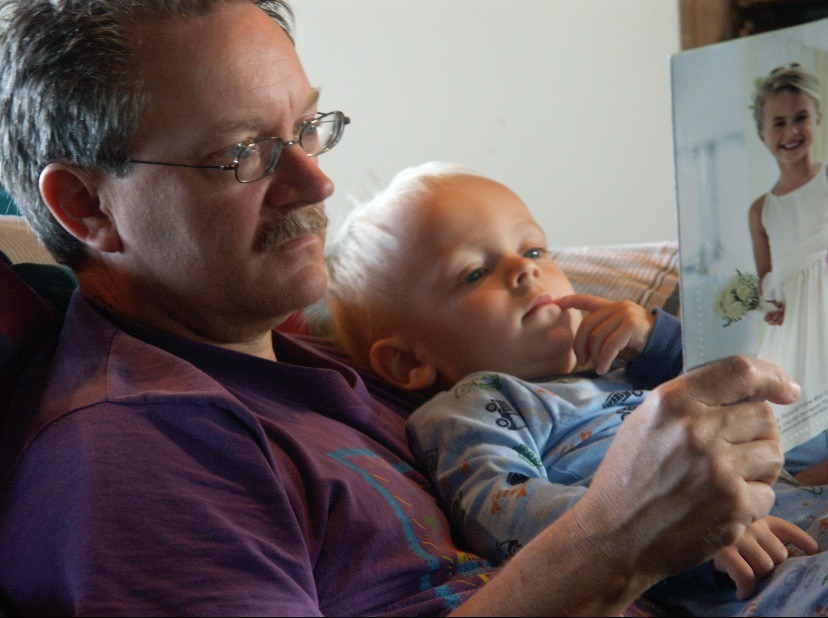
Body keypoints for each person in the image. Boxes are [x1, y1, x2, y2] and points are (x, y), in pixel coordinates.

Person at [0, 1, 798, 615]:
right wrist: (619, 539)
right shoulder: (136, 456)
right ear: (86, 207)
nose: (315, 182)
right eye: (241, 154)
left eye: (307, 128)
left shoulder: (304, 356)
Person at [324, 161, 821, 603]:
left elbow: (755, 395)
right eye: (475, 273)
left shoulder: (629, 364)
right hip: (747, 578)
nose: (524, 269)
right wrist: (684, 536)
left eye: (534, 248)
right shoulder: (474, 407)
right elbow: (507, 513)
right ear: (408, 361)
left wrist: (657, 339)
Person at [748, 63, 828, 474]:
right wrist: (768, 303)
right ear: (763, 135)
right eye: (778, 123)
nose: (791, 131)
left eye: (800, 118)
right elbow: (765, 275)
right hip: (796, 327)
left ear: (818, 118)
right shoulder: (762, 209)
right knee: (794, 411)